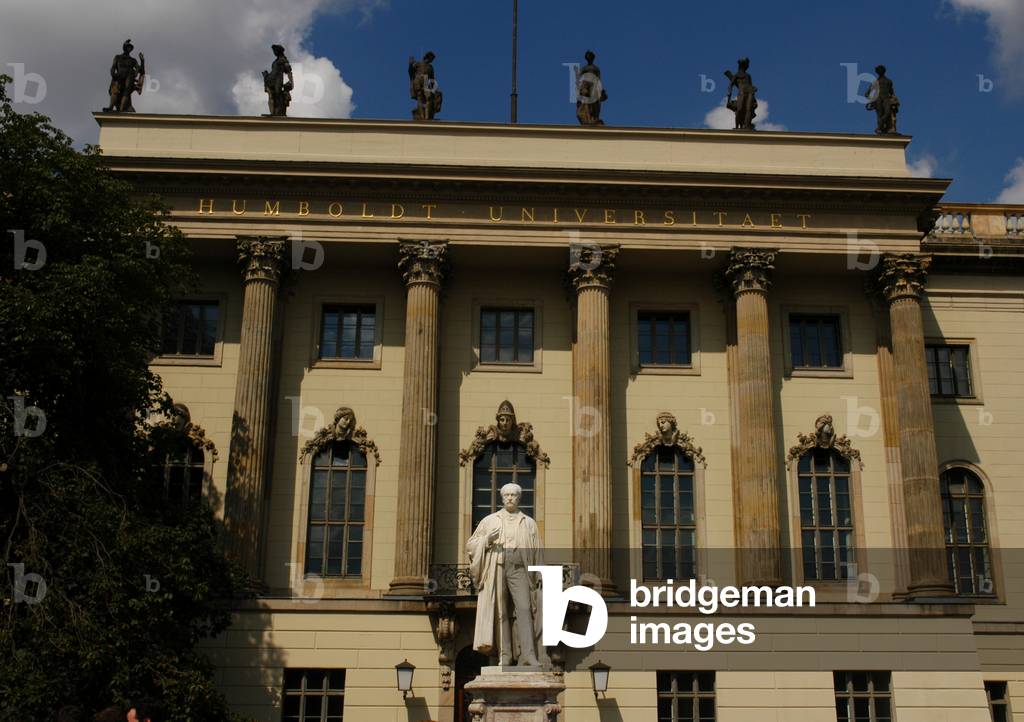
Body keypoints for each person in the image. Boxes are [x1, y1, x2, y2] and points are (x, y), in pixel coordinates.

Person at [466, 482, 543, 666]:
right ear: (501, 497)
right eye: (507, 495)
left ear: (519, 498)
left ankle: (528, 655)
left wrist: (540, 574)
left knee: (524, 610)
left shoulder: (529, 523)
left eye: (513, 495)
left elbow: (538, 551)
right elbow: (471, 545)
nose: (510, 498)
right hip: (497, 567)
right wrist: (487, 540)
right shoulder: (489, 520)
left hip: (520, 569)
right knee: (501, 612)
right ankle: (505, 654)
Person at [105, 39, 145, 112]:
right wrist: (113, 74)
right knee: (115, 90)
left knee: (126, 91)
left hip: (129, 76)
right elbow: (113, 67)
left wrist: (142, 61)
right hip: (119, 76)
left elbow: (141, 71)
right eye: (128, 47)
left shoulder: (133, 60)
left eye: (130, 48)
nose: (129, 49)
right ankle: (110, 107)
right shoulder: (118, 57)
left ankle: (121, 109)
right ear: (124, 47)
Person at [724, 57, 758, 129]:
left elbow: (750, 86)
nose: (747, 66)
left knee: (748, 109)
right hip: (741, 93)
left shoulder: (748, 76)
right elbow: (731, 85)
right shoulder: (736, 75)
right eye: (747, 65)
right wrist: (729, 95)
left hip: (750, 93)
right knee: (740, 109)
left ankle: (747, 125)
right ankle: (737, 127)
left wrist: (754, 94)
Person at [865, 64, 899, 134]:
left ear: (883, 71)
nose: (879, 71)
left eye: (880, 70)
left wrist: (895, 99)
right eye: (878, 70)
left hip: (886, 99)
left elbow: (892, 92)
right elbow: (867, 94)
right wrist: (873, 99)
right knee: (880, 114)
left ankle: (880, 126)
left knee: (887, 112)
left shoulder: (889, 81)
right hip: (878, 100)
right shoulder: (875, 82)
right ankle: (880, 129)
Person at [262, 44, 294, 116]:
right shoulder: (275, 61)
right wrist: (266, 76)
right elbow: (274, 72)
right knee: (272, 96)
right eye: (274, 51)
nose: (274, 52)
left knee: (277, 95)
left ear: (279, 51)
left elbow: (288, 71)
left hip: (278, 81)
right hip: (271, 81)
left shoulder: (283, 60)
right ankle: (273, 113)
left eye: (275, 51)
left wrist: (291, 82)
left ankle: (278, 113)